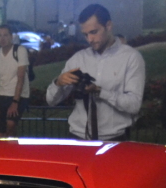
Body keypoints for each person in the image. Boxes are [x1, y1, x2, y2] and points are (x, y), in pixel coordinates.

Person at [46, 4, 145, 141]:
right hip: (78, 138)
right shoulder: (78, 59)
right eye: (85, 34)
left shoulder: (131, 58)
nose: (89, 39)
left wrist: (99, 92)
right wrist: (58, 83)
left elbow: (134, 105)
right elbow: (51, 101)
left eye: (93, 32)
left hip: (114, 141)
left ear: (108, 26)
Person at [0, 24, 28, 137]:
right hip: (2, 94)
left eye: (5, 35)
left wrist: (15, 102)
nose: (2, 38)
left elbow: (21, 78)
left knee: (10, 125)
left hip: (19, 95)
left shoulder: (19, 51)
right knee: (0, 134)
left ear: (11, 36)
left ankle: (13, 150)